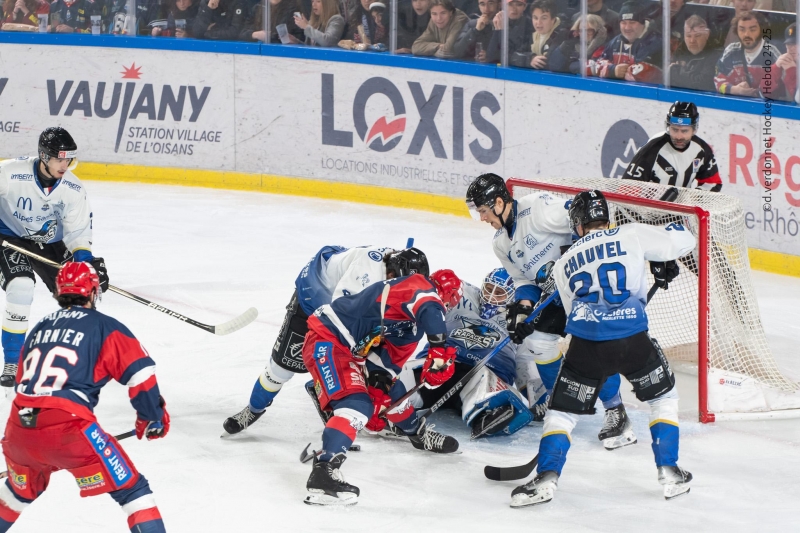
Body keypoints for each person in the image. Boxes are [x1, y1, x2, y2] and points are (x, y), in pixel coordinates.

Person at [509, 190, 696, 507]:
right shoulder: (631, 233)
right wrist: (664, 257)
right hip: (634, 341)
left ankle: (545, 480)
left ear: (578, 225)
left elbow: (573, 315)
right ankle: (670, 473)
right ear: (607, 218)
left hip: (587, 348)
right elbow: (684, 239)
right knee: (663, 400)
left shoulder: (564, 262)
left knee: (562, 415)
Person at [465, 174, 633, 448]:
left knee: (592, 347)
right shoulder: (501, 243)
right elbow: (524, 282)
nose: (482, 218)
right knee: (536, 341)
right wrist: (522, 310)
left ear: (498, 202)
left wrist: (567, 261)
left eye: (483, 211)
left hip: (584, 285)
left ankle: (616, 411)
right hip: (555, 296)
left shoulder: (539, 208)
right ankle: (563, 399)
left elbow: (586, 225)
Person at [0, 262, 170, 531]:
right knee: (132, 491)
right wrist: (152, 417)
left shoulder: (39, 327)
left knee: (16, 494)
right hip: (70, 427)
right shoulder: (105, 326)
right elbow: (141, 376)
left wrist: (42, 444)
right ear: (92, 292)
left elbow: (23, 382)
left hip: (20, 426)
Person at [302, 265, 461, 506]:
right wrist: (439, 351)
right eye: (445, 304)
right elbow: (428, 305)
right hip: (327, 338)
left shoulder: (414, 330)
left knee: (392, 391)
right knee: (357, 404)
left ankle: (416, 433)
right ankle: (323, 472)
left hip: (351, 354)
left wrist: (379, 396)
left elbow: (383, 370)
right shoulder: (417, 286)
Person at [222, 246, 425, 435]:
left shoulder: (397, 275)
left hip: (346, 312)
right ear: (391, 275)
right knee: (281, 368)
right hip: (314, 299)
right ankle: (254, 409)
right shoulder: (366, 272)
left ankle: (322, 389)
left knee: (364, 364)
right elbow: (339, 318)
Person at [0, 128, 109, 388]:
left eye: (68, 159)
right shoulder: (9, 173)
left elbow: (78, 232)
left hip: (51, 243)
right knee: (21, 286)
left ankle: (82, 357)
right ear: (43, 156)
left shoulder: (72, 188)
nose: (65, 165)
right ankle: (13, 360)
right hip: (10, 239)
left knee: (81, 295)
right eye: (60, 159)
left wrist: (84, 263)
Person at [415, 268, 534, 439]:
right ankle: (397, 401)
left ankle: (489, 412)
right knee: (413, 374)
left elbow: (526, 360)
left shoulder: (522, 319)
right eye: (488, 288)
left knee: (484, 383)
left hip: (486, 368)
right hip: (446, 359)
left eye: (499, 292)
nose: (492, 296)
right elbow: (433, 301)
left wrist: (534, 395)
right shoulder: (463, 294)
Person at [622, 102, 722, 192]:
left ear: (694, 129)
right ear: (668, 126)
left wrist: (693, 198)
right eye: (674, 130)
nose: (678, 136)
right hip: (648, 211)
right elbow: (627, 188)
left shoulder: (702, 151)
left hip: (681, 211)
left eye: (684, 131)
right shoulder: (651, 150)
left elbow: (712, 183)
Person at [714, 11, 787, 99]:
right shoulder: (731, 51)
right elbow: (717, 81)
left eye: (752, 29)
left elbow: (786, 89)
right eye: (742, 29)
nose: (747, 34)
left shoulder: (772, 53)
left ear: (761, 30)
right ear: (736, 31)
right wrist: (734, 90)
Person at [588, 0, 662, 83]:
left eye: (632, 22)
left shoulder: (655, 43)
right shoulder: (615, 41)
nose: (627, 27)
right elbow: (595, 64)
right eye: (623, 22)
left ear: (643, 23)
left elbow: (642, 74)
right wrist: (613, 70)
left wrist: (607, 70)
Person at [669, 15, 722, 92]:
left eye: (697, 36)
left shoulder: (716, 53)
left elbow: (703, 84)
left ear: (707, 35)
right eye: (688, 36)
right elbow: (669, 77)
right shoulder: (682, 49)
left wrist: (677, 71)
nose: (692, 40)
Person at [510, 0, 568, 69]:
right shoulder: (533, 35)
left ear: (553, 19)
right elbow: (513, 56)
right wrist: (530, 59)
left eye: (544, 18)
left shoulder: (562, 35)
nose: (538, 22)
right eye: (535, 18)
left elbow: (546, 62)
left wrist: (528, 59)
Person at [239, 0, 304, 42]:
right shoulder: (258, 7)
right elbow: (242, 33)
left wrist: (270, 36)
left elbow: (298, 38)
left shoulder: (293, 9)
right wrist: (255, 34)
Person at [776, 23, 797, 102]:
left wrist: (791, 71)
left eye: (797, 44)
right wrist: (776, 68)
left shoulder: (789, 68)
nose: (792, 48)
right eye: (789, 44)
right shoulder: (785, 65)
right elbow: (765, 93)